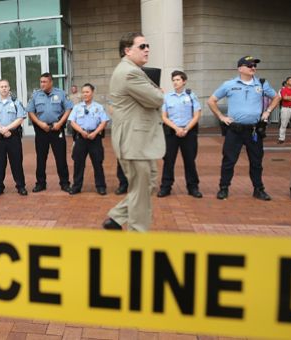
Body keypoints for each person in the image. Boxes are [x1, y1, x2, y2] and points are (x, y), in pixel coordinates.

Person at [103, 32, 164, 232]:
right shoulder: (130, 72)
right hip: (134, 141)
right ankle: (137, 234)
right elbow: (156, 99)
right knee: (141, 190)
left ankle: (116, 217)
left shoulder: (132, 70)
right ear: (127, 51)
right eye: (142, 46)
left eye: (147, 45)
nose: (147, 49)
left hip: (138, 141)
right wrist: (159, 92)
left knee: (146, 185)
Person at [207, 56, 280, 201]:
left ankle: (258, 189)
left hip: (254, 130)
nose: (253, 68)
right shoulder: (229, 84)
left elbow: (277, 97)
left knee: (256, 161)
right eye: (249, 65)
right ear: (240, 68)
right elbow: (211, 100)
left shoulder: (262, 83)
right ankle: (224, 188)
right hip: (235, 130)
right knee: (229, 160)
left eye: (254, 65)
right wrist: (222, 117)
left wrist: (268, 111)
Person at [158, 70, 202, 198]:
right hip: (172, 132)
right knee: (168, 161)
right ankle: (166, 187)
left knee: (190, 161)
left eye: (178, 80)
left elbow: (197, 115)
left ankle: (193, 187)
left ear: (184, 81)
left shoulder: (191, 96)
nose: (175, 82)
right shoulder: (167, 97)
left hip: (188, 132)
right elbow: (164, 117)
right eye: (173, 80)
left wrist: (186, 129)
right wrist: (176, 128)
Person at [26, 73, 73, 193]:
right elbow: (30, 111)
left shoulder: (60, 93)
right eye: (41, 81)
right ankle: (40, 183)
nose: (42, 84)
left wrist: (60, 123)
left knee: (61, 158)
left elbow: (68, 108)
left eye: (45, 82)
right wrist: (40, 123)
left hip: (57, 129)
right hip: (42, 130)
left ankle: (65, 183)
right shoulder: (36, 95)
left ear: (51, 82)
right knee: (41, 158)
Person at [0, 79, 27, 196]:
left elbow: (20, 119)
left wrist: (7, 129)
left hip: (13, 137)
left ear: (9, 88)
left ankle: (20, 186)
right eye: (1, 87)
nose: (4, 88)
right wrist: (1, 130)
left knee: (17, 162)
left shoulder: (16, 103)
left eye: (6, 86)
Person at [68, 83, 109, 195]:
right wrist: (81, 131)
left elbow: (104, 121)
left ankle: (101, 186)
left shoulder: (98, 107)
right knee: (78, 163)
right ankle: (76, 186)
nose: (85, 94)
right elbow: (72, 121)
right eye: (83, 92)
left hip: (95, 138)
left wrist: (95, 133)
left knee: (97, 163)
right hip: (81, 138)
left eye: (87, 92)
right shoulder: (77, 107)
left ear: (92, 93)